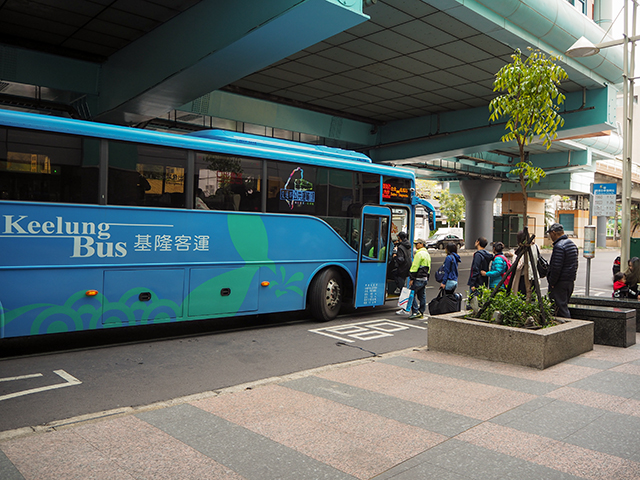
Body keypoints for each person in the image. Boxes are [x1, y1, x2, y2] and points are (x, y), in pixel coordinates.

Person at [547, 223, 579, 318]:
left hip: (559, 283)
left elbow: (556, 267)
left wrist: (552, 282)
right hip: (569, 281)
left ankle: (567, 326)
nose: (550, 237)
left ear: (554, 233)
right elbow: (575, 264)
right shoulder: (572, 244)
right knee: (563, 306)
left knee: (560, 309)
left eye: (550, 234)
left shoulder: (559, 246)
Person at [511, 230, 541, 296]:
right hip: (534, 275)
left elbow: (520, 265)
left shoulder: (524, 248)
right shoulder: (535, 246)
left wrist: (514, 256)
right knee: (533, 296)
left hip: (525, 276)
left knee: (523, 296)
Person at [408, 238, 431, 320]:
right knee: (422, 296)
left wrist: (412, 278)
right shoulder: (427, 254)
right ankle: (421, 311)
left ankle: (415, 311)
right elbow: (429, 267)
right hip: (424, 278)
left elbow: (415, 266)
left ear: (422, 244)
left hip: (418, 278)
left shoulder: (419, 254)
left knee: (411, 295)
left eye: (417, 243)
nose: (416, 245)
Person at [393, 231, 412, 296]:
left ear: (399, 237)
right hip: (407, 266)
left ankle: (402, 293)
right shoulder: (407, 245)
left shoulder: (400, 247)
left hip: (402, 268)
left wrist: (395, 257)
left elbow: (401, 259)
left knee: (395, 274)